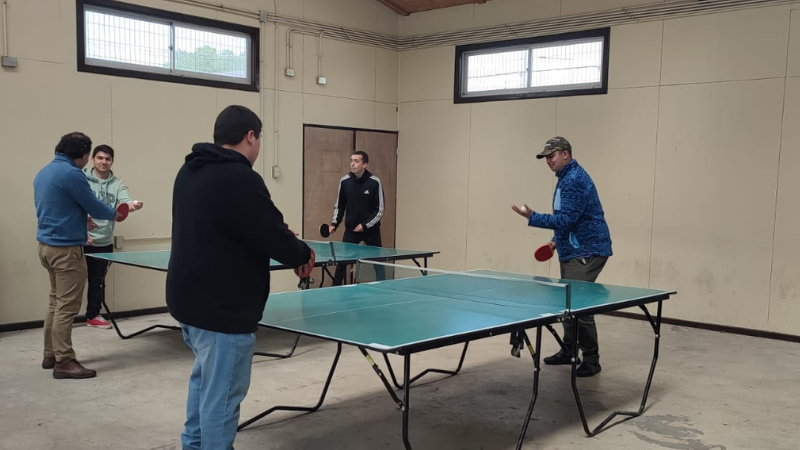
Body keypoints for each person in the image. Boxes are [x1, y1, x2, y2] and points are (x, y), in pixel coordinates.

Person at [166, 105, 313, 450]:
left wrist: (274, 233)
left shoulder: (189, 170)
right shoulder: (240, 177)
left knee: (205, 385)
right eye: (259, 138)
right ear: (251, 136)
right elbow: (272, 234)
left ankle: (194, 445)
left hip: (188, 302)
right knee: (223, 398)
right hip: (222, 309)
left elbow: (233, 225)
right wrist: (302, 253)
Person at [512, 136, 612, 378]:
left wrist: (532, 216)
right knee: (568, 302)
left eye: (552, 155)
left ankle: (591, 358)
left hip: (587, 251)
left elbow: (566, 219)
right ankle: (569, 350)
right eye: (546, 156)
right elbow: (569, 218)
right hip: (573, 249)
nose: (548, 160)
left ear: (565, 153)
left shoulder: (574, 180)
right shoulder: (565, 177)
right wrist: (557, 240)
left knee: (579, 305)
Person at [34, 132, 120, 379]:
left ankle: (50, 354)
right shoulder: (73, 174)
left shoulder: (44, 172)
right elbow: (93, 204)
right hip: (66, 251)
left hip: (46, 247)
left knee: (55, 302)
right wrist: (115, 214)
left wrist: (80, 219)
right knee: (67, 308)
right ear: (83, 155)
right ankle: (64, 361)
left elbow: (57, 207)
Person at [83, 144, 144, 329]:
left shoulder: (118, 184)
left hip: (104, 241)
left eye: (107, 159)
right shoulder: (81, 179)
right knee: (72, 283)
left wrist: (132, 205)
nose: (103, 162)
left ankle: (93, 315)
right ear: (93, 159)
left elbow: (125, 202)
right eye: (100, 158)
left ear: (112, 161)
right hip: (80, 239)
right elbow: (72, 204)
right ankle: (65, 318)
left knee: (98, 282)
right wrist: (82, 223)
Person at [327, 151, 385, 285]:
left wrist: (365, 225)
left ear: (365, 164)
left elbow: (380, 209)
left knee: (378, 263)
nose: (352, 164)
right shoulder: (345, 181)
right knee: (342, 263)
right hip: (351, 230)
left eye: (356, 161)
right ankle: (335, 287)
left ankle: (384, 287)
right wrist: (334, 224)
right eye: (351, 160)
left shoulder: (375, 182)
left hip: (371, 231)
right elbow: (339, 205)